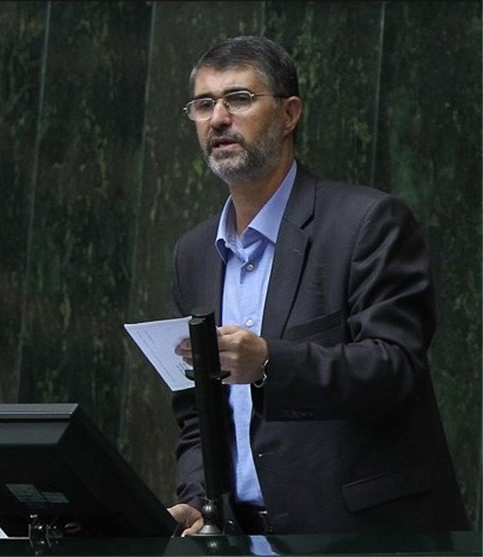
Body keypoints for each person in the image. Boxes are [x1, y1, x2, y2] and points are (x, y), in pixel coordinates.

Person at [166, 35, 469, 536]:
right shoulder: (192, 253)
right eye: (203, 104)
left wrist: (269, 362)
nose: (218, 118)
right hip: (241, 537)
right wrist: (199, 498)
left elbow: (394, 367)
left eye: (238, 98)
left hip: (363, 536)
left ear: (289, 115)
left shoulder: (368, 222)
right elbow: (195, 412)